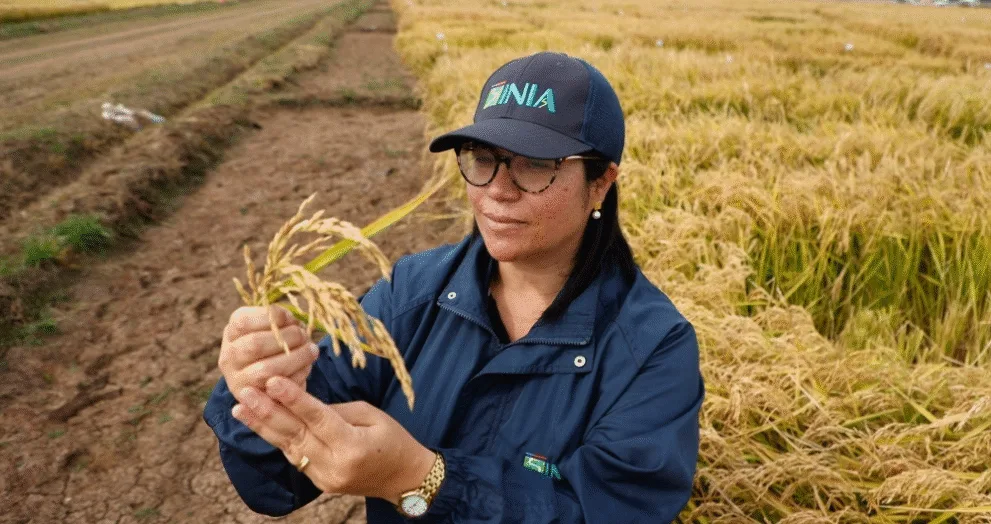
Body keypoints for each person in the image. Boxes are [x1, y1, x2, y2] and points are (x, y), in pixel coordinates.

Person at [203, 51, 704, 523]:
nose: (497, 190)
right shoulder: (411, 293)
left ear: (601, 182)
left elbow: (608, 509)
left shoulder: (653, 347)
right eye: (482, 158)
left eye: (536, 164)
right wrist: (259, 388)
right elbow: (277, 480)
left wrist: (421, 480)